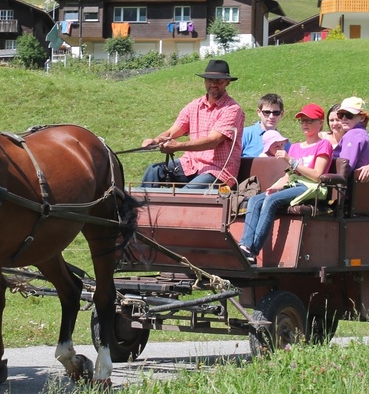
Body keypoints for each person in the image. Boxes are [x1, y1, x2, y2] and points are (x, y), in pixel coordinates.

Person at [238, 104, 333, 263]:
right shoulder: (295, 147)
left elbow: (317, 176)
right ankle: (245, 245)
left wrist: (291, 161)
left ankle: (253, 251)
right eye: (302, 121)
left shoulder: (323, 145)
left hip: (310, 187)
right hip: (294, 184)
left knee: (271, 201)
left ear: (320, 123)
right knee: (255, 200)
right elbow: (289, 177)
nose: (305, 124)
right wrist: (275, 187)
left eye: (310, 121)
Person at [140, 59, 246, 189]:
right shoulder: (194, 105)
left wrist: (178, 146)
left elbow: (213, 141)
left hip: (217, 170)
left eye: (218, 80)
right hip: (190, 164)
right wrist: (155, 140)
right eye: (209, 80)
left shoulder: (232, 109)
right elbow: (172, 132)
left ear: (227, 82)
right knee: (154, 170)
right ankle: (140, 209)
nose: (213, 84)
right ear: (204, 81)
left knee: (186, 193)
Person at [333, 97, 369, 170]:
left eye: (349, 115)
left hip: (352, 180)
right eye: (341, 115)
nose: (344, 118)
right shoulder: (362, 134)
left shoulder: (354, 135)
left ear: (362, 118)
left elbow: (344, 169)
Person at [241, 94, 288, 158]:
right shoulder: (245, 134)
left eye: (276, 113)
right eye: (267, 112)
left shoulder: (284, 142)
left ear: (281, 114)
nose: (271, 116)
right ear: (259, 112)